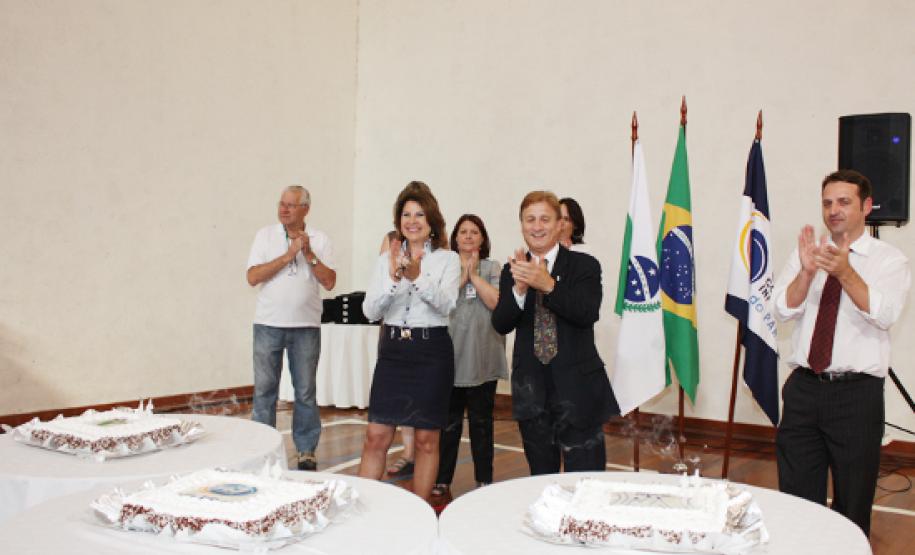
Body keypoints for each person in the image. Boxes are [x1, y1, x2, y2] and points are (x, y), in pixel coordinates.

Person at [773, 169, 910, 536]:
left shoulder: (888, 260)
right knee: (797, 497)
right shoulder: (808, 253)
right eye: (827, 203)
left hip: (856, 394)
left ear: (866, 206)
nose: (834, 210)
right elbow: (783, 310)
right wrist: (805, 274)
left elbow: (885, 315)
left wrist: (847, 273)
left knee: (853, 499)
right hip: (803, 389)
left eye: (844, 202)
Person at [492, 191, 619, 474]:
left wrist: (548, 285)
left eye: (545, 219)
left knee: (586, 481)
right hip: (532, 394)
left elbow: (587, 312)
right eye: (530, 219)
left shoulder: (584, 266)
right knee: (541, 482)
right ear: (522, 225)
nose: (537, 227)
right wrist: (519, 291)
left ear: (560, 224)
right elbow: (501, 324)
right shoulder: (512, 269)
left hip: (579, 392)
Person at [358, 181, 461, 501]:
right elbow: (369, 310)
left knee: (427, 439)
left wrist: (416, 275)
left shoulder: (447, 260)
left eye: (419, 214)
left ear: (431, 222)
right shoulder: (384, 260)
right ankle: (363, 509)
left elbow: (447, 305)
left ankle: (420, 512)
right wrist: (392, 278)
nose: (412, 220)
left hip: (431, 353)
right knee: (376, 436)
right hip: (393, 352)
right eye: (406, 214)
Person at [246, 185, 337, 471]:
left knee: (306, 392)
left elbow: (330, 281)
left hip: (306, 327)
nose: (284, 209)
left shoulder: (320, 239)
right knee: (264, 391)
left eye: (291, 205)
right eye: (281, 203)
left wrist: (307, 252)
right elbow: (252, 276)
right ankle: (261, 449)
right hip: (268, 325)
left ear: (305, 209)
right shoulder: (265, 235)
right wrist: (287, 255)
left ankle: (306, 450)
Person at [432, 215, 508, 499]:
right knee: (448, 424)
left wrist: (475, 275)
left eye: (474, 232)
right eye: (462, 232)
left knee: (481, 422)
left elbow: (497, 302)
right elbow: (442, 302)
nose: (467, 237)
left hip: (483, 357)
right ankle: (442, 479)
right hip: (449, 358)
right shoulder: (445, 267)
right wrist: (462, 274)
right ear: (455, 238)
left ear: (483, 238)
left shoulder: (493, 267)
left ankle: (484, 479)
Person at [378, 230, 416, 478]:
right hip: (390, 331)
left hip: (416, 333)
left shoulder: (424, 256)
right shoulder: (390, 239)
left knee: (413, 397)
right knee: (392, 396)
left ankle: (411, 454)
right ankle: (405, 452)